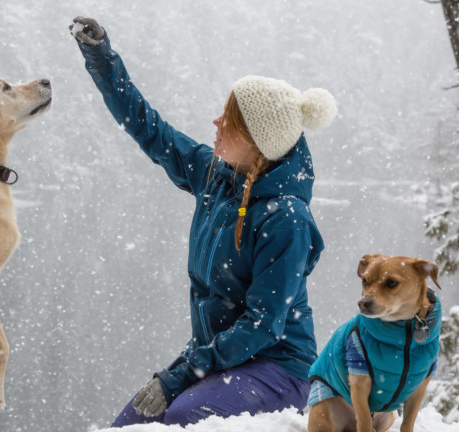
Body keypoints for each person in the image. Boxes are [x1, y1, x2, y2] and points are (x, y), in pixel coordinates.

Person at [69, 16, 337, 427]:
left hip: (278, 369)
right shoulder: (217, 178)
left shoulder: (287, 219)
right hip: (221, 360)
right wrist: (102, 58)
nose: (215, 123)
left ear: (254, 140)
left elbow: (262, 326)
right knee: (129, 425)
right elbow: (149, 128)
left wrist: (178, 377)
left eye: (227, 118)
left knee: (182, 419)